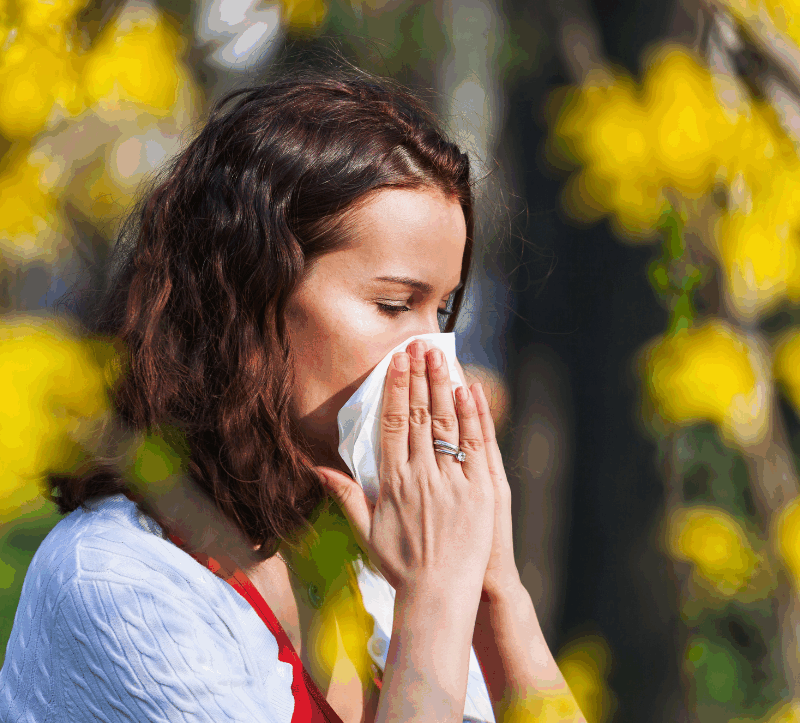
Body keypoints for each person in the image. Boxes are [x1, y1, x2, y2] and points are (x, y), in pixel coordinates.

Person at [0, 69, 586, 723]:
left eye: (442, 311)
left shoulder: (374, 557)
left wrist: (493, 590)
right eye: (394, 304)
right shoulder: (119, 584)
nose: (434, 363)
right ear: (251, 296)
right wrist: (434, 601)